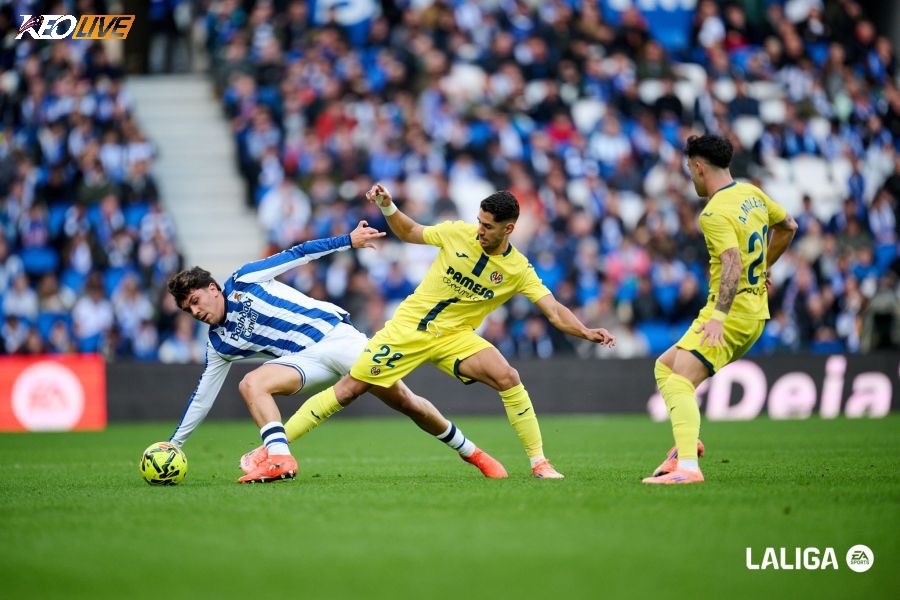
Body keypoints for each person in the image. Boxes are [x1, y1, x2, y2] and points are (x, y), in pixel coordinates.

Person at [243, 185, 616, 480]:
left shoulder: (518, 269)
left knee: (508, 376)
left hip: (456, 336)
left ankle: (539, 463)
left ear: (509, 229)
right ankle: (272, 449)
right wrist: (389, 207)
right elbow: (410, 232)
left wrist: (584, 331)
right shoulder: (457, 233)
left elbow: (552, 309)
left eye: (487, 226)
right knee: (350, 389)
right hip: (409, 328)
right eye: (479, 222)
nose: (480, 230)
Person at [166, 221, 507, 483]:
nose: (195, 312)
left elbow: (298, 253)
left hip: (336, 338)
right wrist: (175, 444)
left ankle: (473, 453)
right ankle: (280, 459)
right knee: (251, 383)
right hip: (303, 362)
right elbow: (202, 397)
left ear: (212, 288)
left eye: (195, 301)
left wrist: (348, 240)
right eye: (188, 310)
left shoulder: (244, 280)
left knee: (406, 401)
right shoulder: (218, 343)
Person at [643, 135, 797, 484]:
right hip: (754, 310)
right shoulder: (753, 194)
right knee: (665, 368)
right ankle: (684, 446)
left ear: (699, 167)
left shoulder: (713, 213)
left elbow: (730, 264)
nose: (691, 177)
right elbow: (788, 226)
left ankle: (688, 469)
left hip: (731, 314)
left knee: (680, 380)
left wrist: (719, 317)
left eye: (689, 170)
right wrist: (765, 267)